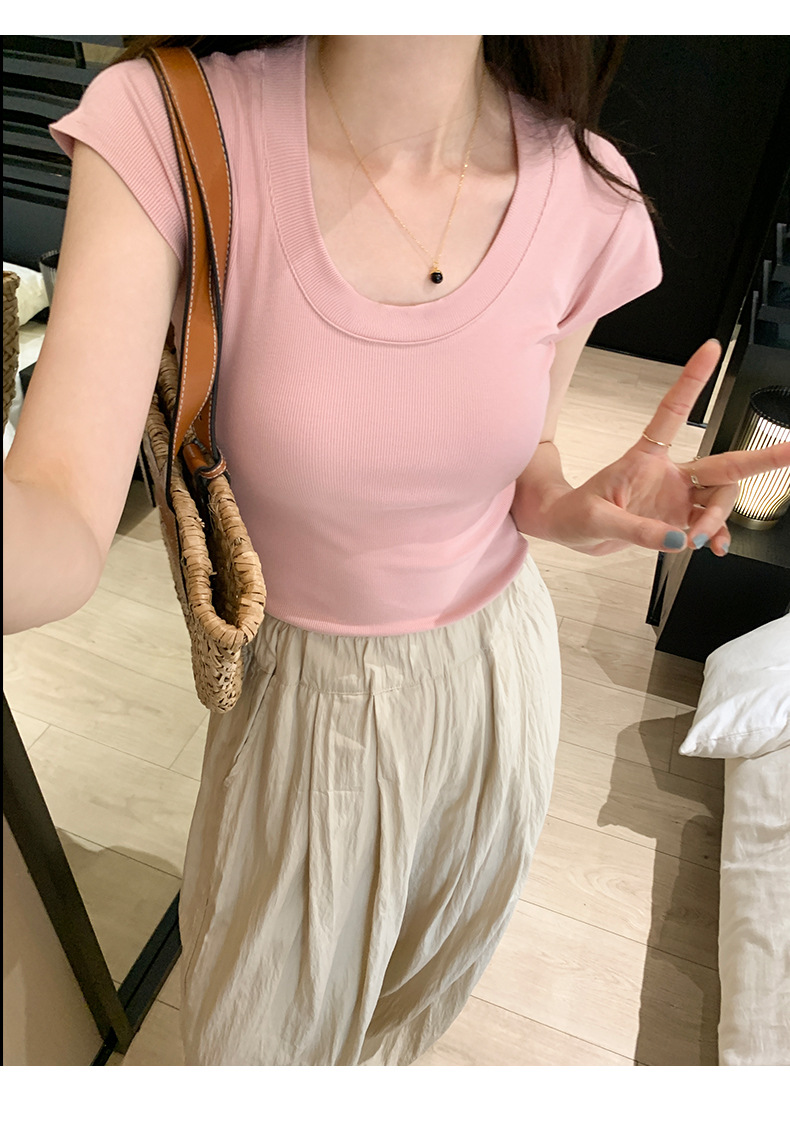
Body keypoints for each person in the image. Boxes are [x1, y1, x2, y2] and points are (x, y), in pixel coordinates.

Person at [3, 35, 788, 1066]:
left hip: (496, 689)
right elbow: (59, 518)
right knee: (254, 1052)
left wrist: (572, 506)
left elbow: (527, 465)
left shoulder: (580, 185)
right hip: (304, 711)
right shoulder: (167, 126)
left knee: (400, 1023)